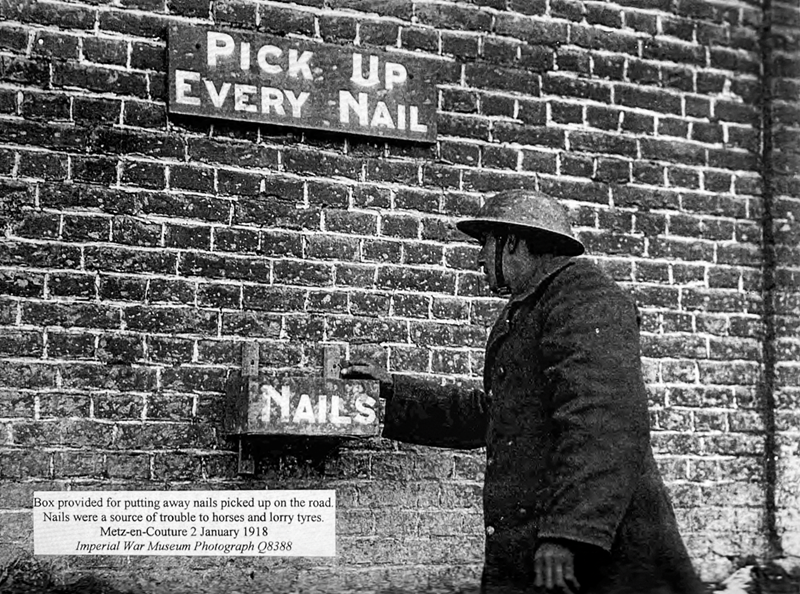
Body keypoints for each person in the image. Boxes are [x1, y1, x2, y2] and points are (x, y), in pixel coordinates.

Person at [342, 190, 704, 594]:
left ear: (514, 242)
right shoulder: (535, 307)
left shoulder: (587, 301)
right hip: (549, 549)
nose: (479, 259)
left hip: (597, 557)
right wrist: (393, 395)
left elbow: (604, 423)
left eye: (485, 244)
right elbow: (498, 414)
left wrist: (568, 534)